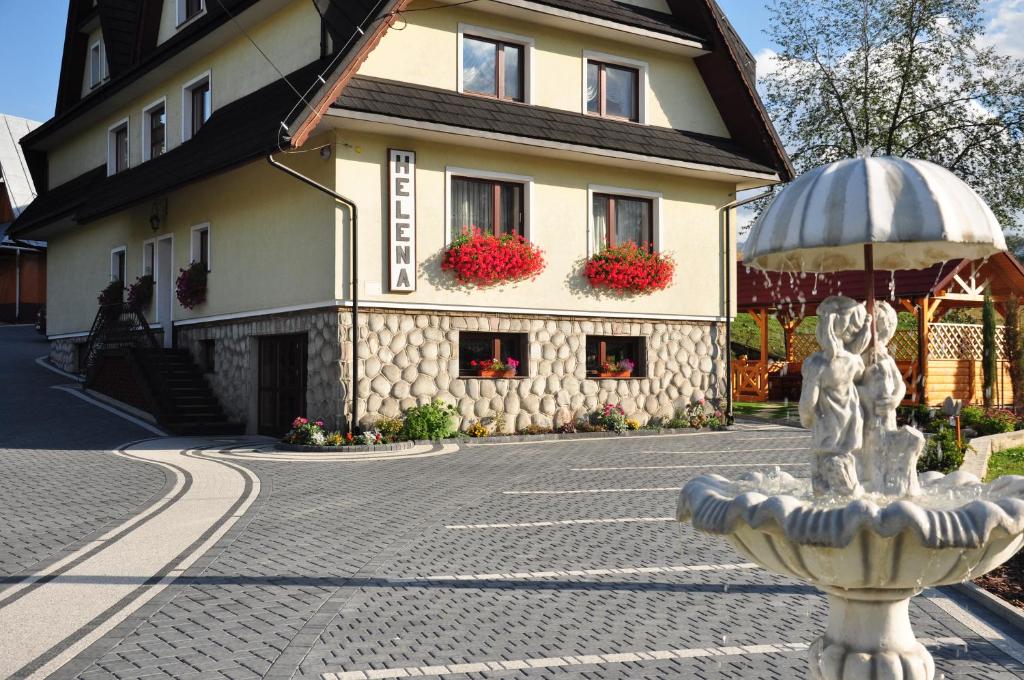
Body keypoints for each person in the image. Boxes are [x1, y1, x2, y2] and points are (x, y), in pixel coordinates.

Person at [799, 296, 871, 496]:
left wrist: (806, 419)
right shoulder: (853, 361)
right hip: (850, 430)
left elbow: (808, 403)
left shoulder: (816, 365)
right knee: (845, 489)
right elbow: (858, 371)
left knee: (824, 489)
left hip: (825, 436)